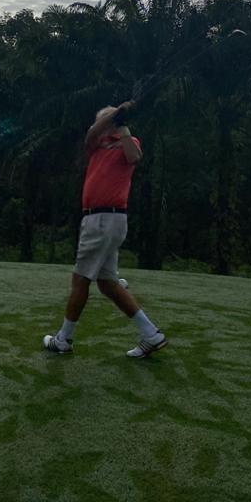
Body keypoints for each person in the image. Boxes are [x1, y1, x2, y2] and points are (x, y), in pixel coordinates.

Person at [43, 101, 168, 358]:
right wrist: (116, 112)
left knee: (80, 280)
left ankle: (63, 339)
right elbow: (91, 132)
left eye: (107, 120)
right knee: (108, 284)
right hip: (102, 221)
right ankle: (151, 335)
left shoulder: (127, 141)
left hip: (104, 219)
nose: (101, 125)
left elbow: (135, 157)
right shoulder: (95, 144)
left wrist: (121, 126)